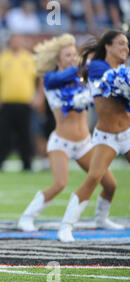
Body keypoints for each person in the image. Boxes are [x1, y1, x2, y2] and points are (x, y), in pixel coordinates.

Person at [17, 33, 120, 234]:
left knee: (110, 184)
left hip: (85, 144)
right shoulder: (50, 79)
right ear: (57, 59)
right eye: (67, 55)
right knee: (59, 183)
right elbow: (64, 76)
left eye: (74, 55)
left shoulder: (82, 77)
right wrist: (86, 63)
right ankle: (26, 218)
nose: (72, 59)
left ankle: (101, 218)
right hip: (61, 142)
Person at [57, 30, 129, 242]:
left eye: (127, 44)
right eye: (121, 43)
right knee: (94, 178)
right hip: (107, 136)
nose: (126, 48)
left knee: (112, 186)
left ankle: (101, 218)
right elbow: (114, 84)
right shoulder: (98, 67)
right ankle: (66, 227)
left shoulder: (124, 70)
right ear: (108, 46)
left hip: (127, 132)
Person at [0, 33, 40, 171]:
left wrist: (39, 97)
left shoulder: (30, 58)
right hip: (6, 103)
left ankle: (27, 164)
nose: (17, 43)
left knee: (26, 135)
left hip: (25, 103)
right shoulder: (1, 58)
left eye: (20, 40)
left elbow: (41, 78)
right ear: (9, 42)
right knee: (3, 135)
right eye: (15, 40)